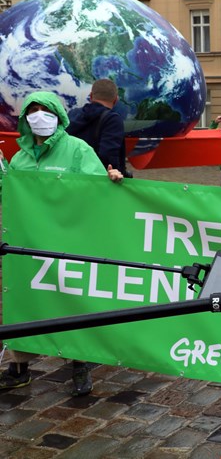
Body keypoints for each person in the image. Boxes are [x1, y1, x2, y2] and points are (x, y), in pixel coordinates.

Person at [0, 91, 124, 396]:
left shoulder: (78, 150)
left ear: (58, 115)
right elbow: (12, 198)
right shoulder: (20, 158)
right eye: (33, 111)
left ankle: (80, 362)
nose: (39, 116)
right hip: (28, 245)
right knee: (24, 302)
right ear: (25, 118)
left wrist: (111, 178)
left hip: (68, 243)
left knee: (70, 302)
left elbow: (97, 193)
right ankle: (19, 367)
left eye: (46, 110)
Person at [66, 78, 131, 177]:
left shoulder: (72, 114)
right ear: (116, 99)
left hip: (70, 177)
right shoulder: (112, 120)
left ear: (91, 96)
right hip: (96, 182)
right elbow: (108, 157)